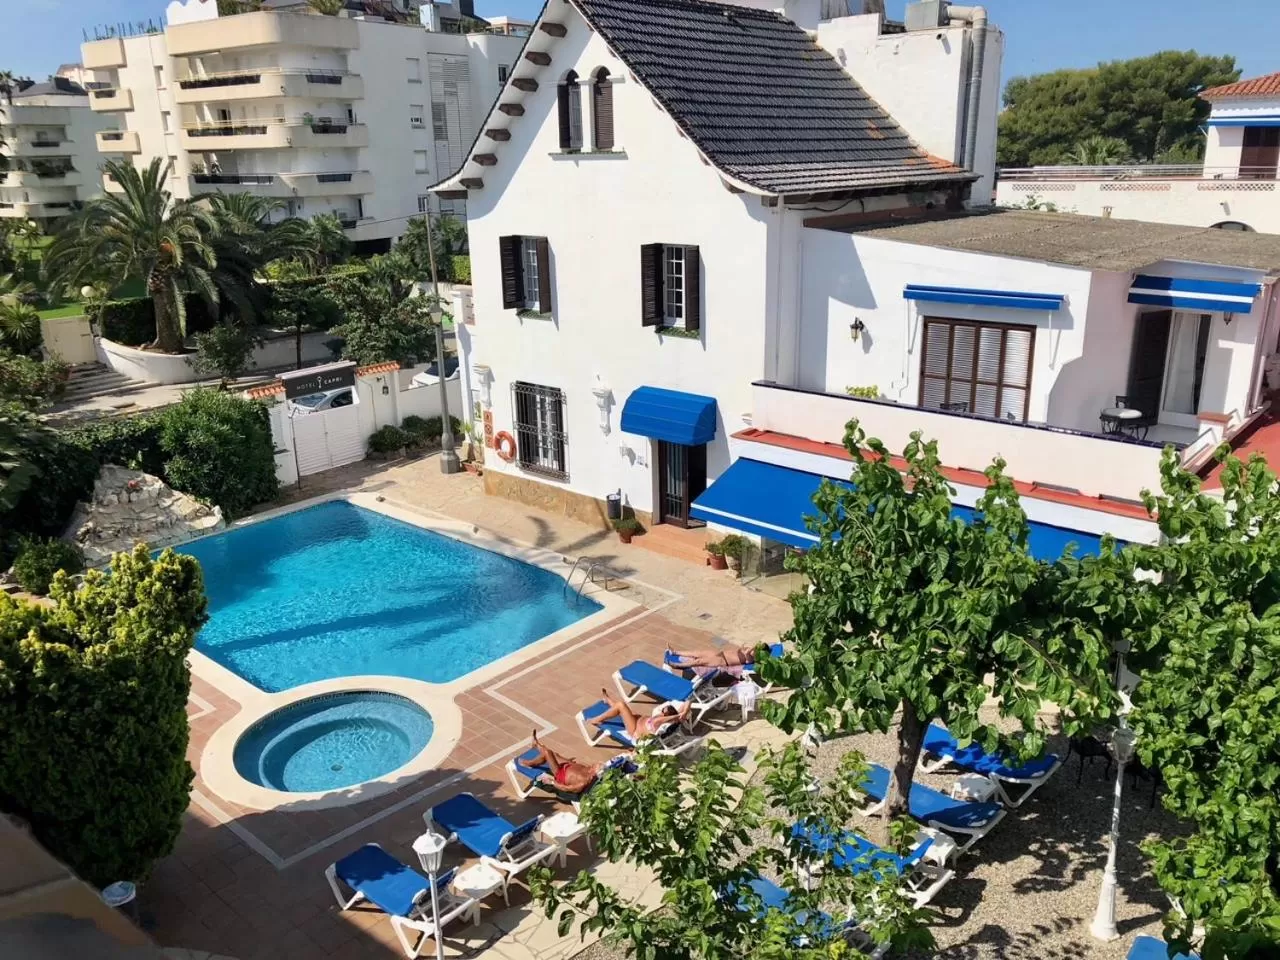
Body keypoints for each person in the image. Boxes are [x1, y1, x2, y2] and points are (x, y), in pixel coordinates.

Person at [527, 732, 620, 796]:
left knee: (548, 753)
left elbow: (567, 788)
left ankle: (531, 757)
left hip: (560, 773)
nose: (592, 765)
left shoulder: (583, 782)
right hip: (567, 766)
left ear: (594, 772)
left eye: (594, 766)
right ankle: (536, 757)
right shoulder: (589, 770)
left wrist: (551, 782)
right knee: (555, 755)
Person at [590, 689, 691, 744]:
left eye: (665, 709)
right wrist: (684, 712)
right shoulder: (671, 715)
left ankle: (597, 720)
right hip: (638, 720)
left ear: (666, 714)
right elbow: (688, 701)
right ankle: (608, 701)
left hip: (634, 730)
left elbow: (659, 721)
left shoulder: (661, 721)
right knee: (623, 710)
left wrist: (677, 716)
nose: (663, 708)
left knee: (621, 705)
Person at [667, 644, 759, 678]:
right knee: (697, 653)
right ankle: (675, 652)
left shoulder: (751, 659)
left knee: (699, 661)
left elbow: (747, 653)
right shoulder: (748, 650)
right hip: (720, 653)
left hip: (722, 660)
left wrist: (752, 648)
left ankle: (678, 665)